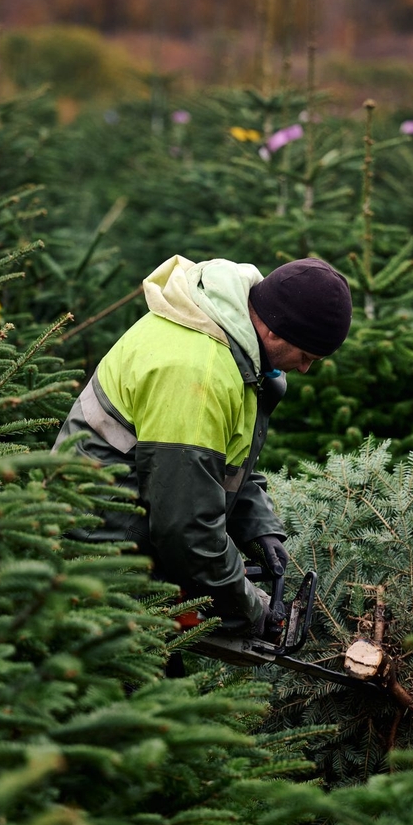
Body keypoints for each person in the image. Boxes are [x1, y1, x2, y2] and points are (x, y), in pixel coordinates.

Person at [52, 254, 353, 638]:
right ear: (277, 332)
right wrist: (249, 607)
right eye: (307, 355)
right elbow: (186, 527)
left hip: (132, 525)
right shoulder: (199, 373)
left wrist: (259, 526)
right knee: (134, 690)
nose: (306, 368)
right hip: (99, 551)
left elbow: (223, 459)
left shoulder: (231, 340)